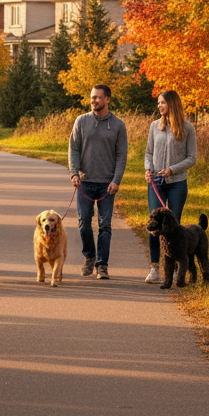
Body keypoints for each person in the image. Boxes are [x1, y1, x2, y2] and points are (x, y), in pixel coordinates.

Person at [68, 84, 128, 280]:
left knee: (105, 225)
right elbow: (73, 148)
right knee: (83, 222)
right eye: (92, 97)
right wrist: (74, 173)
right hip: (84, 182)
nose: (94, 101)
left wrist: (116, 180)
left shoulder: (118, 125)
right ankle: (90, 257)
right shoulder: (81, 121)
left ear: (107, 99)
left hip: (106, 185)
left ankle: (102, 265)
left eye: (98, 98)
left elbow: (121, 155)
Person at [143, 89, 197, 284]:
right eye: (158, 103)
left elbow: (192, 158)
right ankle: (155, 268)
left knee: (173, 228)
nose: (159, 106)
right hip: (156, 183)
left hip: (177, 184)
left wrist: (172, 170)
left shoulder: (187, 128)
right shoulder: (154, 126)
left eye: (162, 102)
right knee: (154, 225)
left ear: (172, 104)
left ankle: (173, 269)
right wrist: (148, 169)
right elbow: (148, 153)